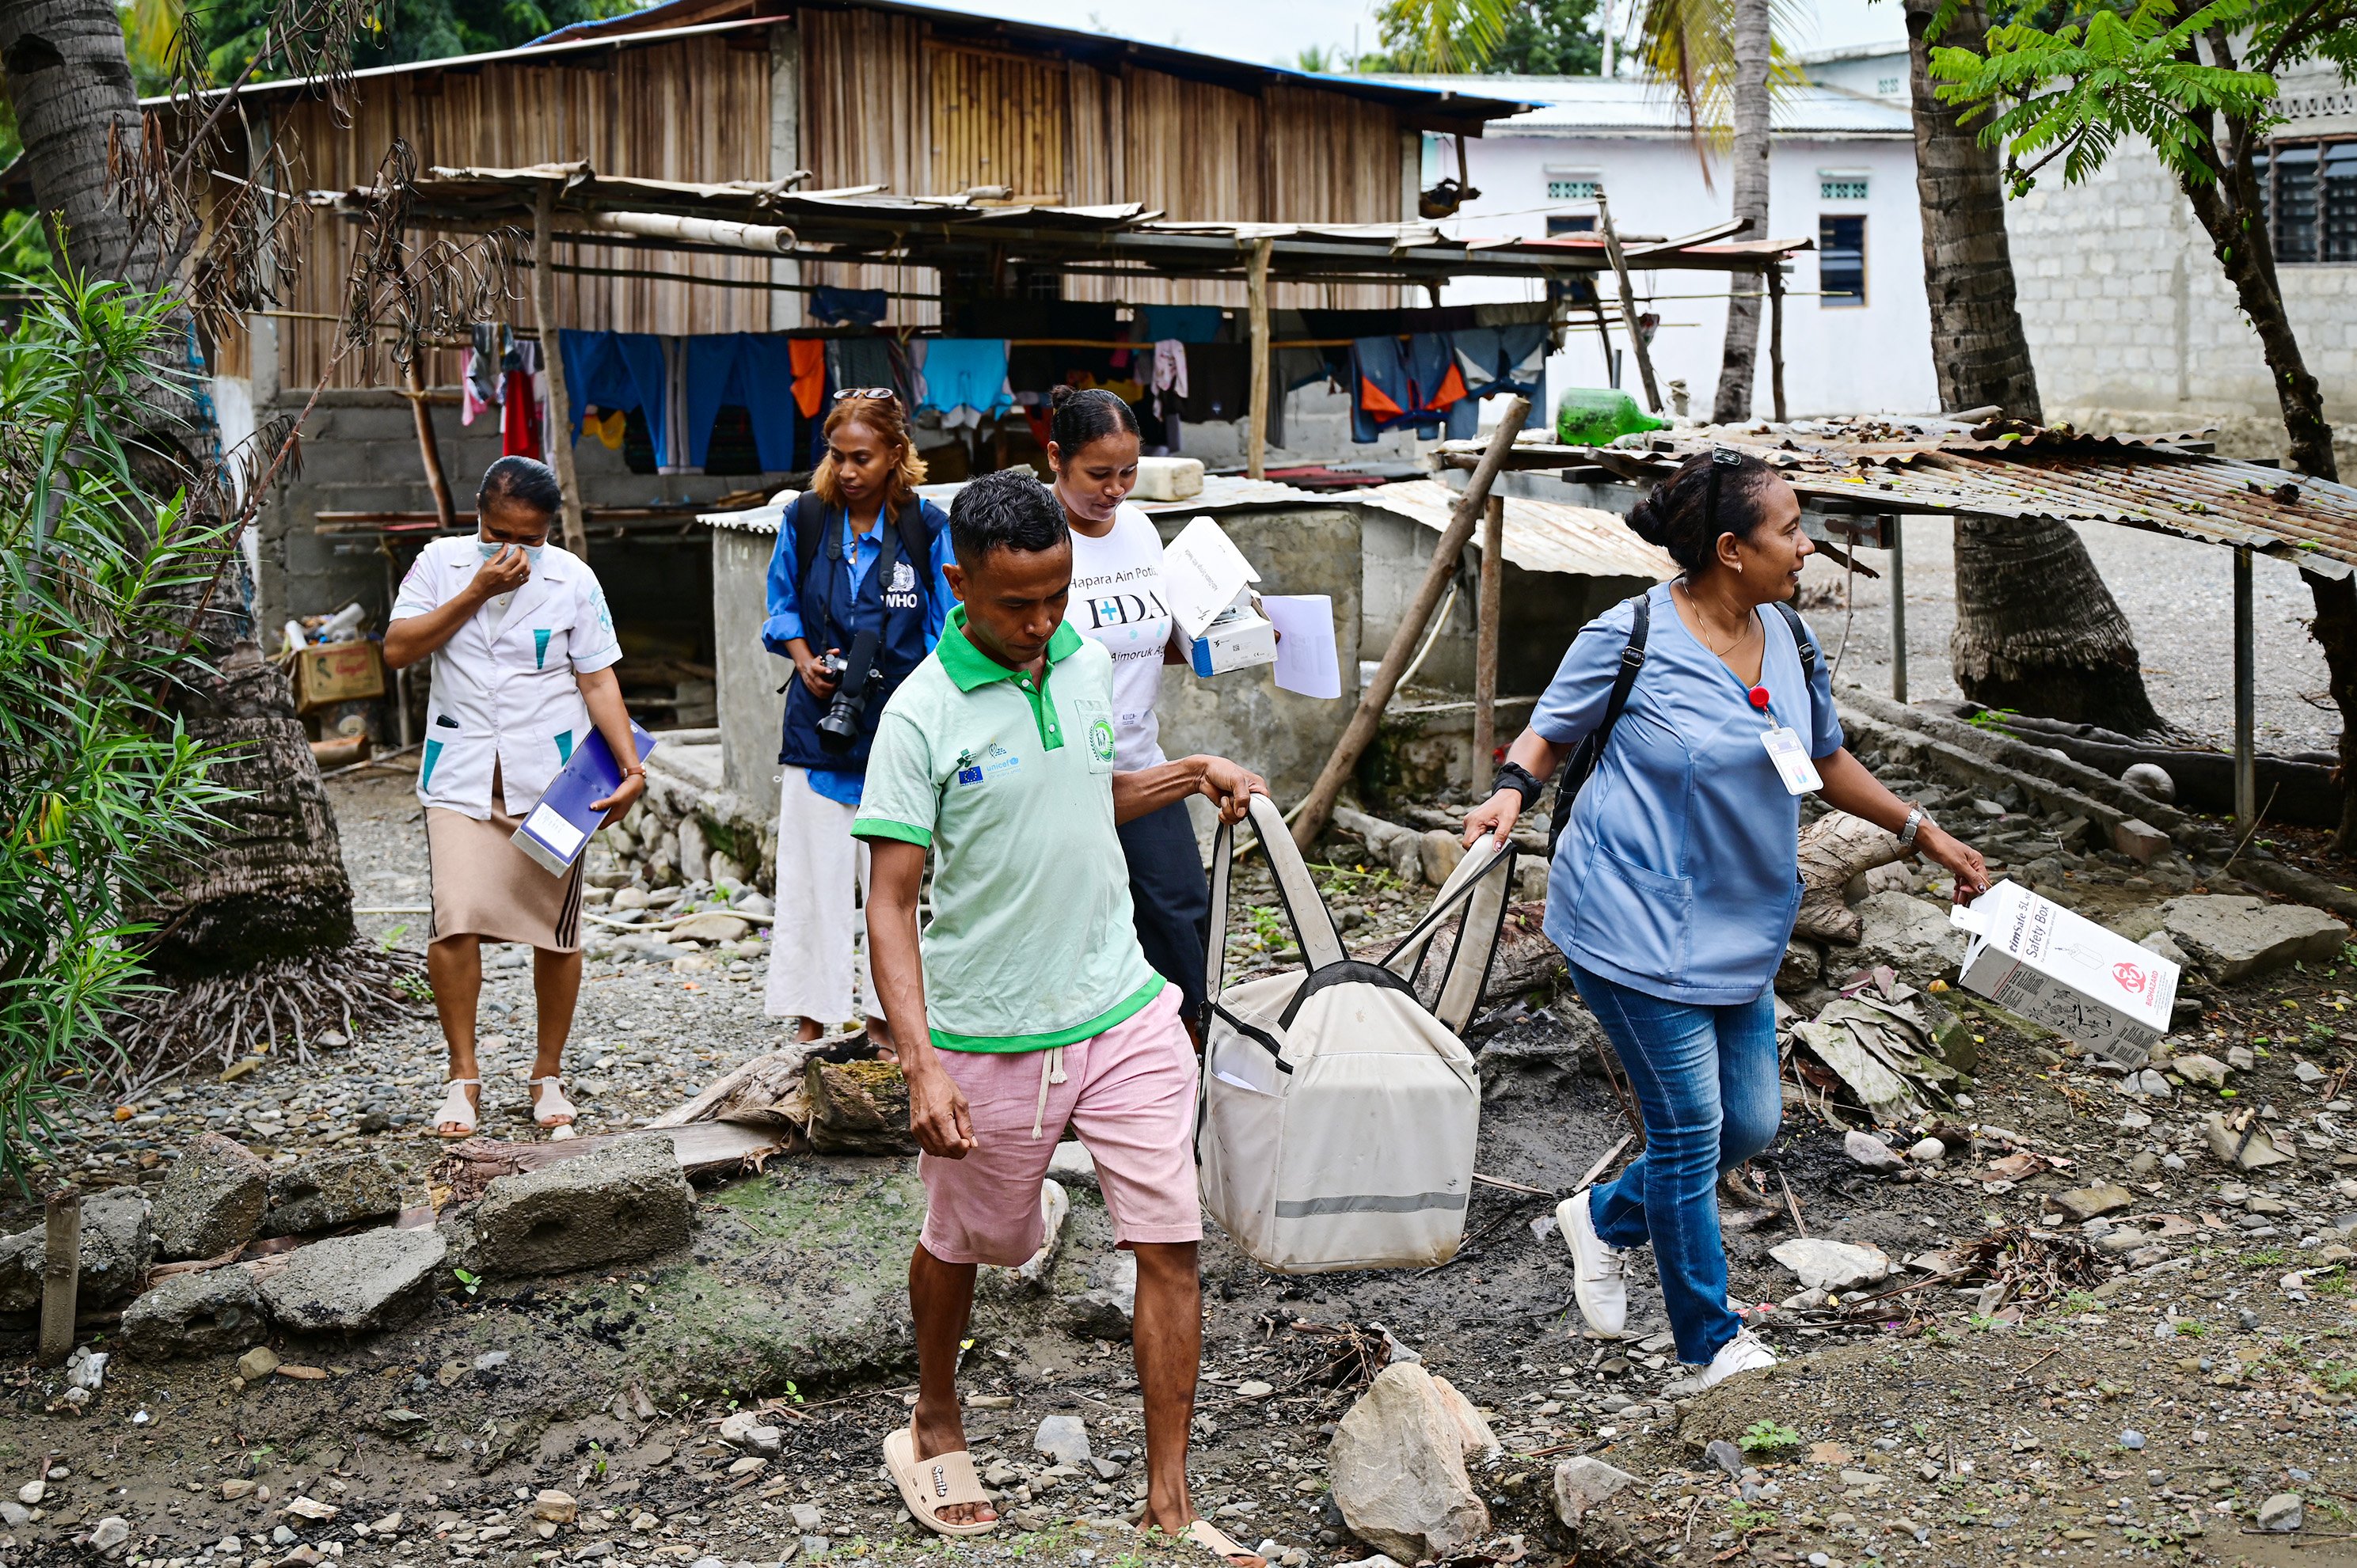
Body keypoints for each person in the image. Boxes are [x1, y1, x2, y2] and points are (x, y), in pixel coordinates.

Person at [1462, 448, 1989, 1394]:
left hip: (1741, 923)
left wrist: (1923, 831)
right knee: (1689, 1131)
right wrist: (1510, 791)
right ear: (1730, 549)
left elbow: (1823, 757)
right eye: (1789, 529)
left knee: (1745, 1124)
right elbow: (1549, 731)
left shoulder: (1787, 636)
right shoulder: (1628, 634)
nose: (1807, 546)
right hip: (1630, 919)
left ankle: (1602, 1217)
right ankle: (1712, 1344)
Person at [855, 467, 1268, 1560]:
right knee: (964, 1241)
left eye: (1055, 597)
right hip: (989, 1030)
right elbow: (889, 902)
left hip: (1121, 1004)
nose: (1041, 623)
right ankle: (933, 1414)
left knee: (1169, 1241)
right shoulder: (920, 715)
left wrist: (1188, 769)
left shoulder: (1079, 660)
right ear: (958, 584)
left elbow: (1089, 790)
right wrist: (921, 1064)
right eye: (1016, 605)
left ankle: (1170, 1499)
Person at [385, 456, 645, 1138]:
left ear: (549, 530)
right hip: (460, 778)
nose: (513, 552)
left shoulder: (573, 579)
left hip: (552, 785)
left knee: (555, 931)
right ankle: (462, 1076)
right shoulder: (439, 564)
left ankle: (546, 1072)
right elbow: (397, 650)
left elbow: (597, 680)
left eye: (530, 539)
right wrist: (476, 591)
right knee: (454, 919)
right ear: (477, 516)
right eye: (498, 535)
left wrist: (630, 768)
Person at [760, 391, 955, 1055]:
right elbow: (781, 605)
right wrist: (804, 659)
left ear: (896, 453)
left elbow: (944, 629)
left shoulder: (926, 528)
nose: (846, 470)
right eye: (837, 455)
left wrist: (919, 700)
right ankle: (810, 1018)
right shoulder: (806, 518)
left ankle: (886, 1017)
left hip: (898, 729)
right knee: (809, 876)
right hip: (817, 724)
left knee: (890, 884)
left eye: (862, 458)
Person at [1044, 385, 1212, 1037]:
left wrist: (1227, 637)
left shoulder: (1140, 529)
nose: (1114, 489)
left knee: (1180, 910)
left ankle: (1188, 1048)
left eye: (1127, 472)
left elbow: (1146, 641)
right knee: (1081, 922)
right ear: (1055, 457)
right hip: (1061, 774)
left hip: (1140, 761)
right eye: (1098, 474)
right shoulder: (1035, 536)